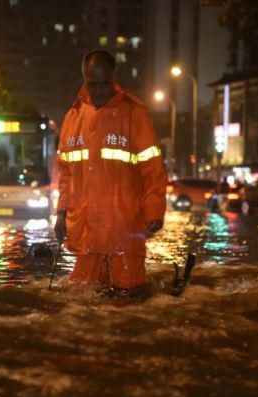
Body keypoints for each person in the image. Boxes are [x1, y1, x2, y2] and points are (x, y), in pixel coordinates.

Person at [54, 50, 167, 290]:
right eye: (92, 84)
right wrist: (61, 213)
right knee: (82, 297)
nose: (98, 91)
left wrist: (154, 210)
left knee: (128, 297)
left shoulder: (134, 113)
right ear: (84, 78)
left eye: (104, 83)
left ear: (114, 77)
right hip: (87, 231)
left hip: (124, 228)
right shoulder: (73, 117)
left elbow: (153, 168)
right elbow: (65, 173)